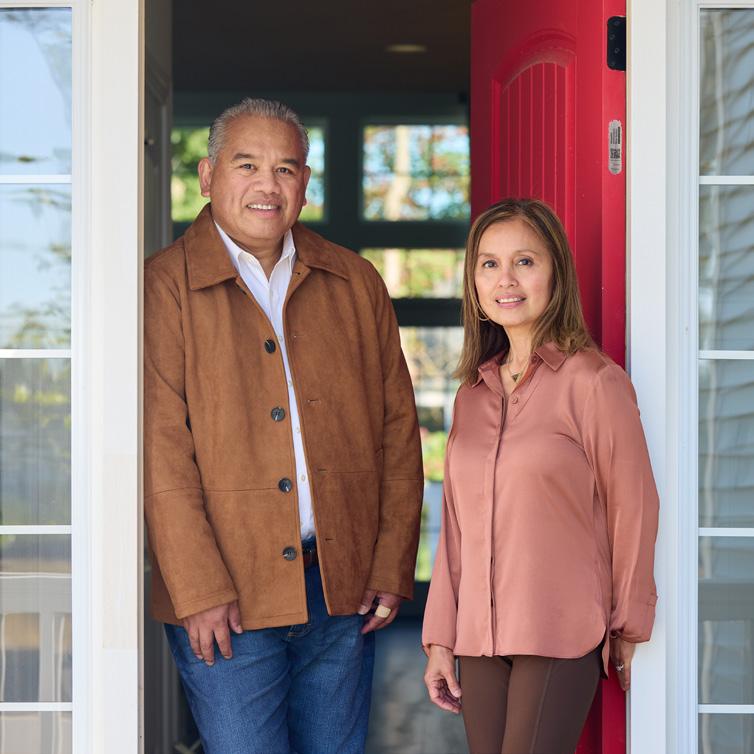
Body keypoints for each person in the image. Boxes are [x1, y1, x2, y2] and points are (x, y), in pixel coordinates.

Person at [144, 97, 423, 754]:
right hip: (227, 599)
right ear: (208, 176)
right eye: (247, 165)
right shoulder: (163, 286)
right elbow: (160, 449)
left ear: (304, 183)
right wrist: (198, 588)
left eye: (286, 169)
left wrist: (389, 561)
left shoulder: (355, 282)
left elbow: (398, 431)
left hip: (340, 588)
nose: (268, 185)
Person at [421, 199, 659, 754]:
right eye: (489, 264)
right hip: (479, 638)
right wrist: (439, 639)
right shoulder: (471, 395)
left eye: (524, 262)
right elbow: (455, 528)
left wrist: (627, 624)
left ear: (555, 274)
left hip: (559, 628)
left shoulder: (594, 382)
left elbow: (633, 506)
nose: (505, 279)